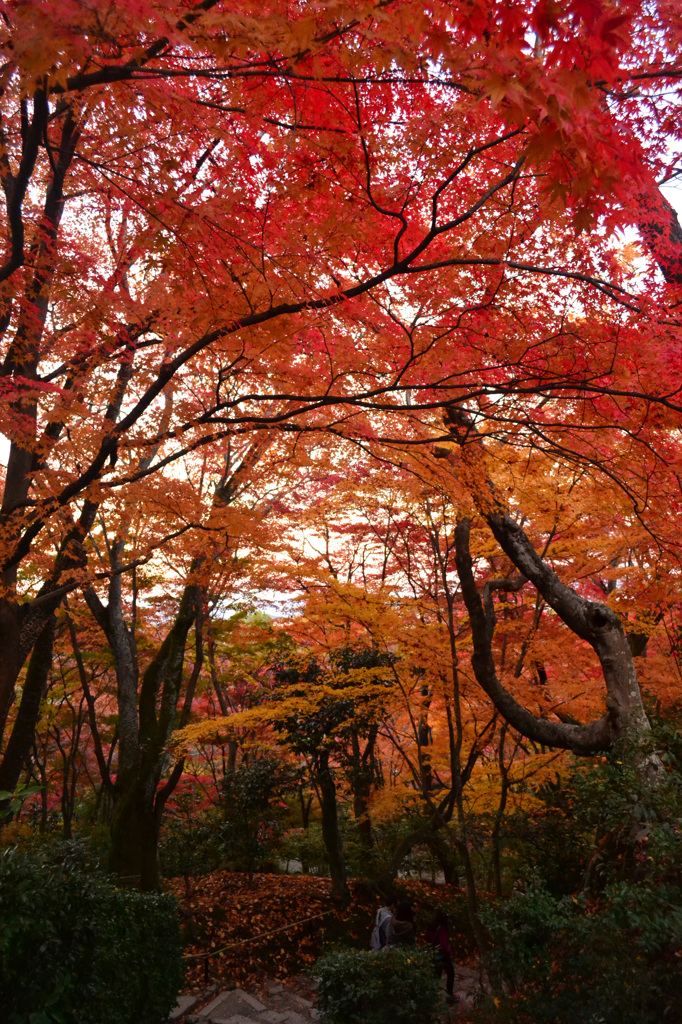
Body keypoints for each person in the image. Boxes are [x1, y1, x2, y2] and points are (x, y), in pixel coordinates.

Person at [425, 911, 459, 1004]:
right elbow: (443, 944)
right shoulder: (442, 929)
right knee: (450, 973)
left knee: (436, 976)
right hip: (443, 956)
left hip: (433, 955)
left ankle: (432, 997)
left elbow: (427, 938)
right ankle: (449, 995)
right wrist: (449, 952)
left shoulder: (431, 926)